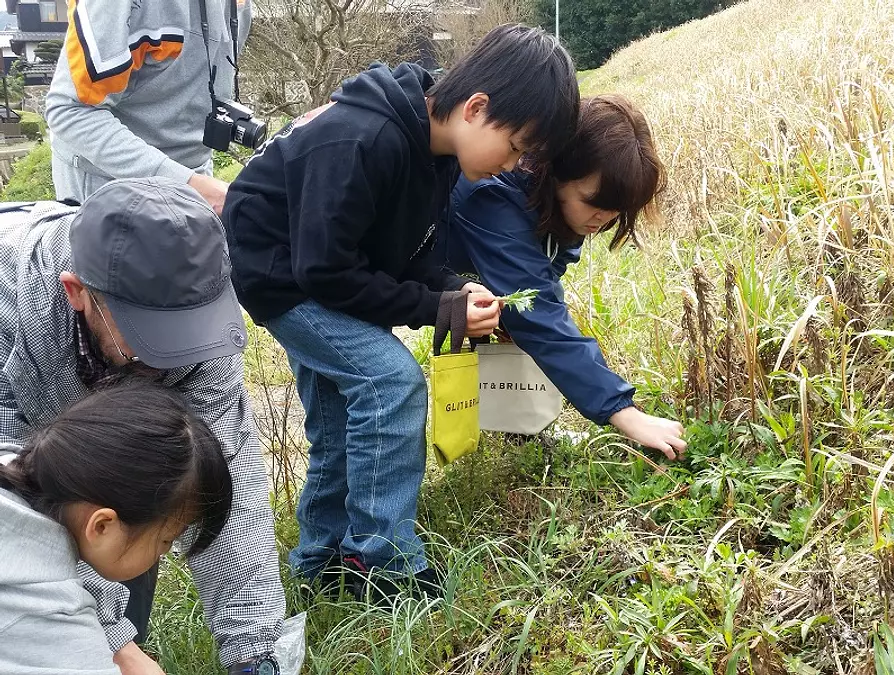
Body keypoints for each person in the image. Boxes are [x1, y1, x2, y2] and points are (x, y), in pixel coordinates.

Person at [222, 24, 579, 600]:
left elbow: (404, 253)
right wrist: (435, 306)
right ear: (477, 108)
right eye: (515, 147)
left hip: (322, 273)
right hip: (284, 281)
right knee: (391, 383)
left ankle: (320, 561)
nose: (513, 165)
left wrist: (451, 293)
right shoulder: (366, 138)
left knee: (341, 420)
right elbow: (325, 270)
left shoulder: (432, 150)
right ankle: (382, 561)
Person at [0, 178, 284, 675]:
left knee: (142, 519)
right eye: (148, 336)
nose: (174, 357)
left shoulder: (202, 330)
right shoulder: (14, 310)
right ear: (78, 293)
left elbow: (223, 485)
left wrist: (254, 652)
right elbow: (18, 508)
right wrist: (111, 641)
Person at [437, 94, 688, 460]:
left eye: (615, 211)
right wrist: (624, 413)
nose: (601, 219)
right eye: (592, 201)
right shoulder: (495, 195)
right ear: (557, 171)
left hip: (447, 275)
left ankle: (519, 430)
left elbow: (540, 284)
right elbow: (538, 312)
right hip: (367, 279)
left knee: (519, 324)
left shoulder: (561, 208)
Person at [0, 380, 233, 675]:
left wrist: (121, 647)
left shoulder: (13, 466)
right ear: (101, 527)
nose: (163, 553)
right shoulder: (51, 616)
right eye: (165, 540)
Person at [45, 0, 253, 214]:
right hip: (114, 187)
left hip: (196, 179)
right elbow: (70, 111)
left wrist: (198, 186)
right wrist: (185, 185)